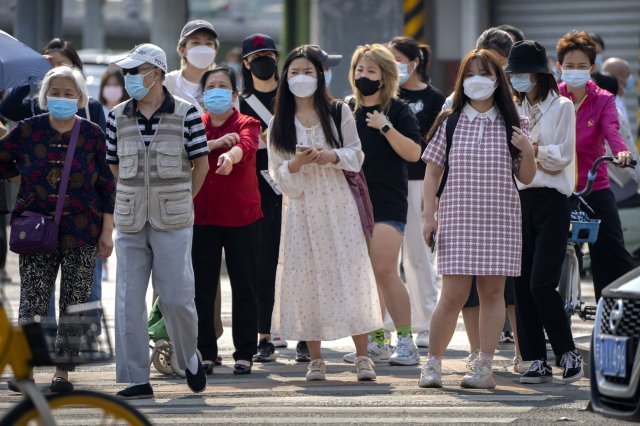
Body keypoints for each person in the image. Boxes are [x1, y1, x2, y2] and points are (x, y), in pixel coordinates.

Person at [419, 48, 536, 389]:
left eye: (485, 74)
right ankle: (433, 364)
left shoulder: (515, 123)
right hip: (457, 216)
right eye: (470, 74)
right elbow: (432, 172)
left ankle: (484, 367)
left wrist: (527, 150)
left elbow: (526, 177)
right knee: (452, 295)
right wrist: (429, 215)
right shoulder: (450, 121)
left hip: (500, 218)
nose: (477, 81)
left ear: (497, 80)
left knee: (492, 294)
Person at [267, 45, 382, 381]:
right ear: (285, 78)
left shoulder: (338, 111)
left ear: (319, 76)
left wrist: (329, 157)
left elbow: (356, 155)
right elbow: (277, 173)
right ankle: (315, 358)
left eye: (308, 72)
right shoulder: (278, 122)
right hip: (302, 209)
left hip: (338, 202)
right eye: (294, 72)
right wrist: (297, 163)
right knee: (307, 277)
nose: (301, 78)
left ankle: (363, 356)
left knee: (350, 272)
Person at [0, 66, 115, 393]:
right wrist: (19, 178)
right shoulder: (27, 130)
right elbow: (2, 159)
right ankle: (24, 370)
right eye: (55, 92)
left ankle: (63, 371)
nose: (62, 98)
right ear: (44, 96)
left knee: (74, 302)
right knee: (32, 300)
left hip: (83, 232)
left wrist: (107, 231)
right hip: (36, 229)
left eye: (69, 93)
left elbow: (108, 186)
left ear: (80, 99)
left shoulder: (93, 133)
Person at [107, 44, 209, 399]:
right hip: (131, 218)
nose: (130, 77)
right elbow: (114, 163)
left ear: (156, 73)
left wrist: (182, 201)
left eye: (136, 71)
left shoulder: (187, 114)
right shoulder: (116, 116)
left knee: (178, 297)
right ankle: (137, 377)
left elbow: (201, 165)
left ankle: (188, 358)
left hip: (175, 218)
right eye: (128, 71)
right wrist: (132, 195)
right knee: (127, 299)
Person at [506, 40, 584, 384]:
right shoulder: (513, 109)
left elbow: (563, 156)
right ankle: (535, 357)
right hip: (519, 200)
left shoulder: (563, 106)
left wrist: (531, 149)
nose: (517, 80)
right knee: (521, 283)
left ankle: (567, 352)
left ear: (539, 74)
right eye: (514, 74)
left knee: (542, 283)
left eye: (522, 73)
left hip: (553, 202)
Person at [342, 43, 422, 366]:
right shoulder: (346, 109)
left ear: (385, 76)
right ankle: (377, 340)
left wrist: (385, 127)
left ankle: (407, 341)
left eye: (371, 71)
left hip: (388, 202)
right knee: (366, 274)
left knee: (385, 269)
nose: (364, 76)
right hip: (353, 202)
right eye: (360, 70)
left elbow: (415, 154)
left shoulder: (398, 110)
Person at [192, 66, 262, 374]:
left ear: (234, 94)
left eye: (223, 86)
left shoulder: (249, 122)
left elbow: (245, 146)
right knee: (201, 288)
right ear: (203, 94)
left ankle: (245, 352)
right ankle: (206, 351)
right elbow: (185, 152)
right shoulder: (194, 124)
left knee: (244, 286)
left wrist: (229, 155)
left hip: (242, 217)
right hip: (201, 217)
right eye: (211, 87)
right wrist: (213, 146)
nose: (216, 92)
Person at [556, 31, 635, 300]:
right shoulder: (552, 98)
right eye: (569, 66)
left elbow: (613, 131)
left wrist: (622, 153)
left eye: (581, 66)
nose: (575, 71)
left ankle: (614, 312)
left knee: (613, 256)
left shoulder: (603, 99)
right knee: (542, 257)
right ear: (559, 67)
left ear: (591, 67)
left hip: (594, 187)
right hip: (557, 187)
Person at [237, 33, 294, 360]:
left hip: (294, 187)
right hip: (256, 190)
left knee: (298, 262)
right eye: (256, 56)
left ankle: (303, 335)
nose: (263, 61)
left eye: (269, 55)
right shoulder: (240, 103)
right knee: (262, 264)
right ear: (245, 64)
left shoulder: (291, 99)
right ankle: (264, 335)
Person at [387, 36, 444, 349]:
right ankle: (383, 329)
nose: (394, 66)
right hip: (386, 184)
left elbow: (436, 149)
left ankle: (424, 324)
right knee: (385, 261)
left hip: (418, 182)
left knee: (418, 257)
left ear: (415, 61)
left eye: (398, 59)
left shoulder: (435, 99)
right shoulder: (386, 97)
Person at [598, 59, 640, 204]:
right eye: (627, 75)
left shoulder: (618, 101)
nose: (630, 79)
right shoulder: (609, 106)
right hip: (618, 181)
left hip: (626, 177)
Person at [165, 20, 219, 114]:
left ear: (215, 51)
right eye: (196, 43)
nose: (203, 49)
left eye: (209, 43)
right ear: (182, 50)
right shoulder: (168, 83)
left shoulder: (225, 86)